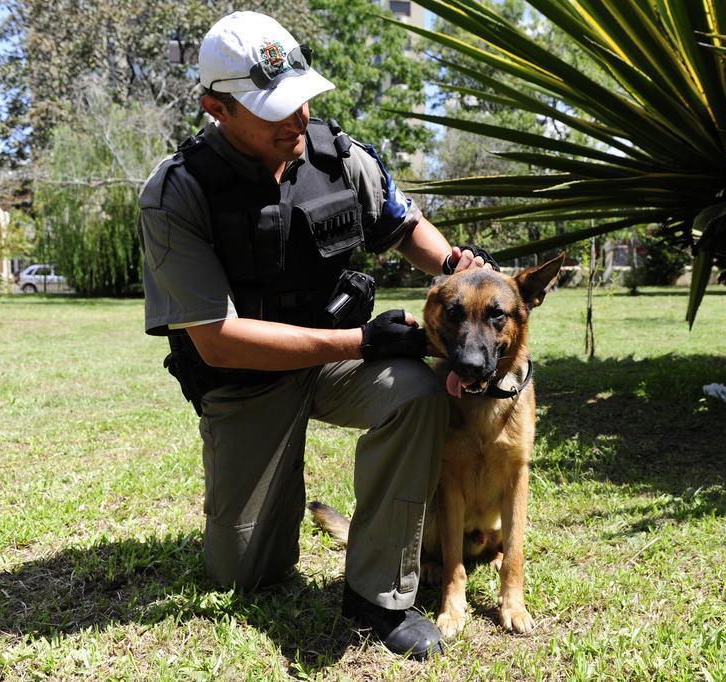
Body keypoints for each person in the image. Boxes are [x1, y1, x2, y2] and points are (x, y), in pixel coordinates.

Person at [138, 11, 498, 660]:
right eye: (275, 108)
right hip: (245, 381)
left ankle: (380, 594)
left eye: (302, 97)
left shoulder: (339, 155)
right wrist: (362, 342)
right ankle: (266, 503)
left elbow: (402, 223)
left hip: (335, 360)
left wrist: (453, 268)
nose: (297, 118)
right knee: (246, 575)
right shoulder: (177, 193)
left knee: (416, 392)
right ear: (215, 107)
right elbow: (217, 341)